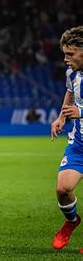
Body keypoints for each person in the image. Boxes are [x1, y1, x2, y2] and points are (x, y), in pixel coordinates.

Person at [50, 26, 83, 253]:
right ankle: (72, 222)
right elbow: (70, 93)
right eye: (64, 54)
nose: (65, 59)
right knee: (63, 189)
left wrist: (80, 112)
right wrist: (61, 117)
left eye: (70, 54)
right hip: (79, 144)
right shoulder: (72, 73)